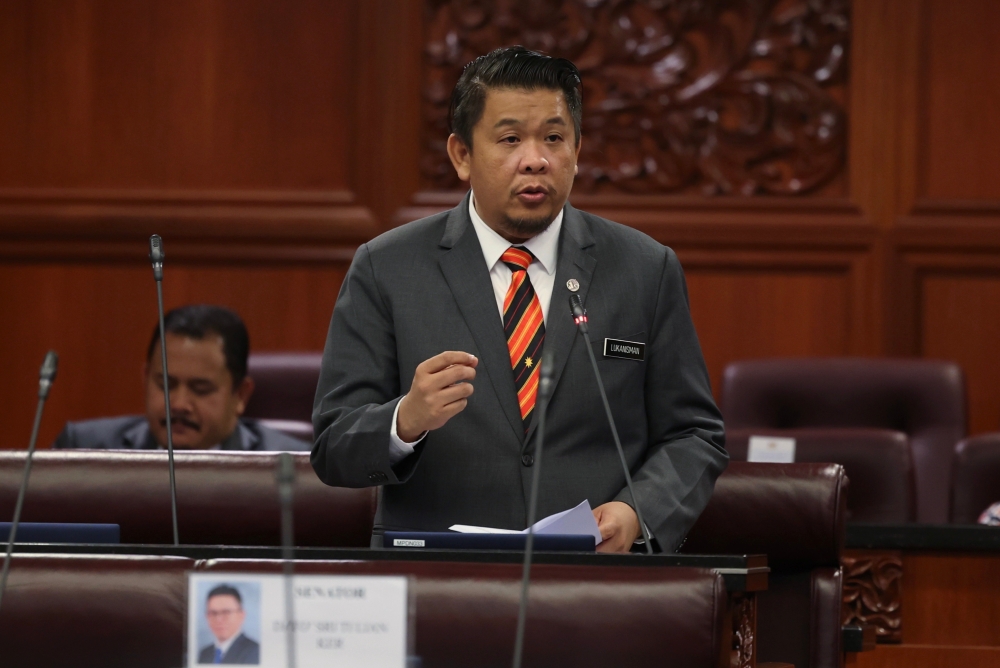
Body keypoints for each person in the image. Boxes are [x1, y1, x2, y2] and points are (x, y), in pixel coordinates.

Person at [311, 46, 727, 552]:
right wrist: (405, 420)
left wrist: (638, 512)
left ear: (577, 149)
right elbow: (333, 447)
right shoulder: (387, 267)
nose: (535, 160)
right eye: (510, 139)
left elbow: (693, 435)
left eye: (554, 138)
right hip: (438, 577)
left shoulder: (644, 268)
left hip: (596, 579)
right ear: (462, 155)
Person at [54, 305, 309, 452]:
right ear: (145, 379)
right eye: (166, 384)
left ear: (241, 395)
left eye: (200, 389)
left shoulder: (293, 466)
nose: (178, 404)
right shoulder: (83, 449)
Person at [198, 584, 260, 665]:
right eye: (213, 613)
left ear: (241, 615)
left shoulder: (255, 652)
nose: (219, 619)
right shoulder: (204, 653)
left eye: (226, 612)